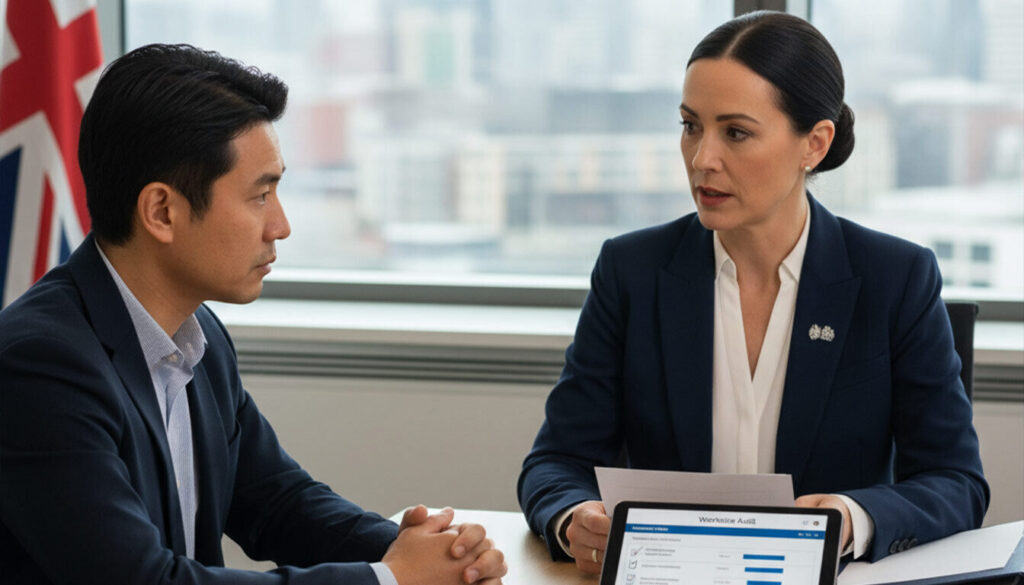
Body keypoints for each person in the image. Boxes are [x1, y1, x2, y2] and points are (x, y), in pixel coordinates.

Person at [0, 44, 506, 585]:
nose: (281, 225)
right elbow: (142, 580)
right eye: (260, 195)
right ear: (162, 212)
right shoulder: (41, 366)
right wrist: (391, 580)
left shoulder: (197, 336)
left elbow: (277, 502)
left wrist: (422, 551)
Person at [517, 10, 989, 575]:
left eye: (735, 132)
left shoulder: (897, 278)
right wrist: (573, 518)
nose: (702, 158)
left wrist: (849, 516)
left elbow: (957, 483)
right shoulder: (632, 271)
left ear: (813, 143)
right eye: (691, 125)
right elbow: (556, 461)